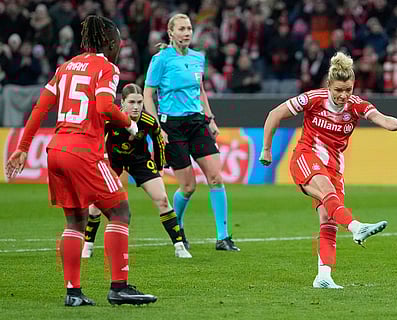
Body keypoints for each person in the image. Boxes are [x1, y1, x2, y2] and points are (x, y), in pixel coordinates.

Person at [5, 15, 157, 306]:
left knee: (75, 220)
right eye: (118, 43)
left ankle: (73, 293)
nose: (119, 48)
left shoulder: (65, 67)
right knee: (120, 211)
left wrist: (23, 146)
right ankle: (119, 287)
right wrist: (129, 123)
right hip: (83, 151)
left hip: (56, 151)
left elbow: (40, 108)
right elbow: (104, 106)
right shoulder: (106, 67)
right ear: (109, 43)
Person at [260, 52, 397, 289]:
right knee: (327, 192)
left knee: (328, 219)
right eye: (339, 90)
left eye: (348, 90)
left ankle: (323, 276)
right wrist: (267, 149)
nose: (343, 95)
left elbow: (381, 118)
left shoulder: (356, 106)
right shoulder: (312, 99)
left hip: (335, 166)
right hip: (306, 157)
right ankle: (356, 227)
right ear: (329, 85)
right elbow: (274, 114)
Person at [143, 13, 239, 251]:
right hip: (172, 126)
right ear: (171, 32)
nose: (187, 32)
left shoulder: (198, 58)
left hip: (197, 122)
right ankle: (179, 226)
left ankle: (223, 237)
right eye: (182, 29)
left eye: (189, 29)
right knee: (188, 186)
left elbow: (201, 91)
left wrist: (210, 119)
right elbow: (147, 94)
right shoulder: (161, 60)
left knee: (216, 177)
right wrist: (157, 128)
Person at [82, 83, 192, 259]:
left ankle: (179, 246)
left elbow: (158, 141)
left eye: (140, 102)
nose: (136, 106)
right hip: (114, 161)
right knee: (96, 203)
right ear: (122, 102)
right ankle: (88, 245)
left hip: (139, 161)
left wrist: (159, 166)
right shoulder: (110, 118)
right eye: (132, 102)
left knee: (163, 200)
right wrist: (97, 161)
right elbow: (96, 138)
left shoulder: (148, 121)